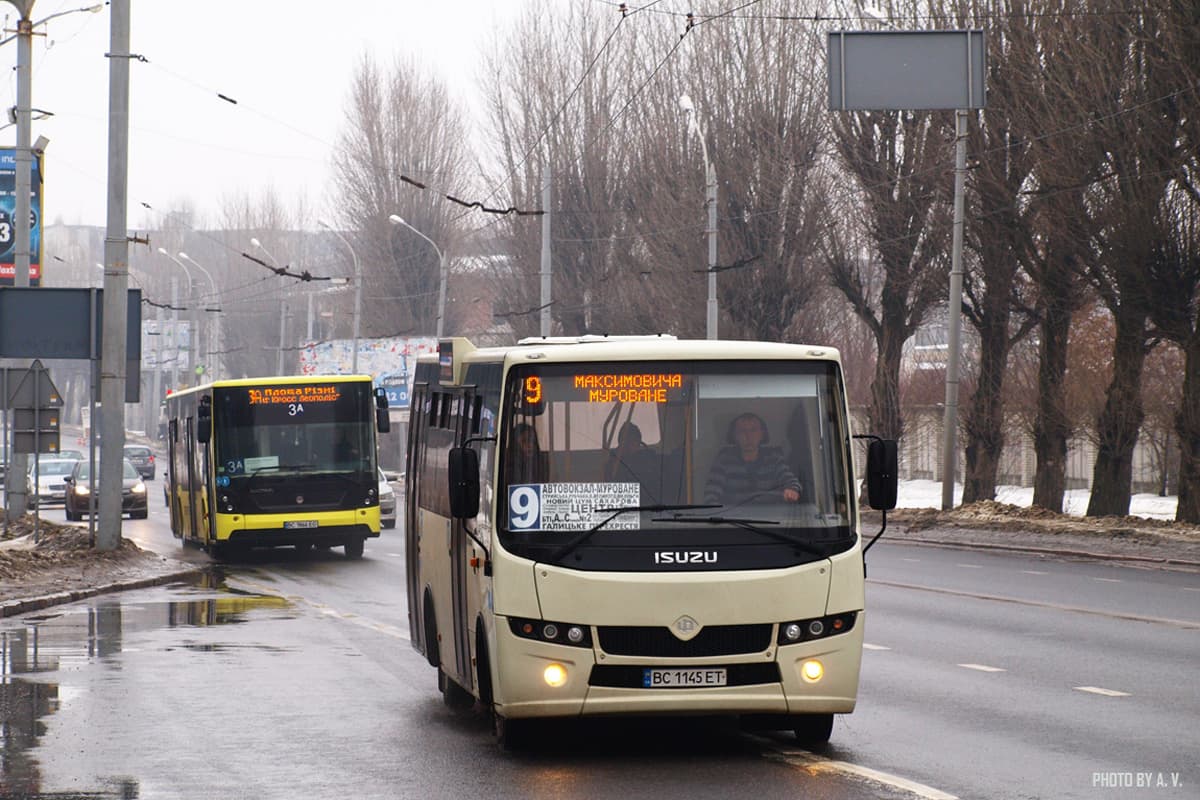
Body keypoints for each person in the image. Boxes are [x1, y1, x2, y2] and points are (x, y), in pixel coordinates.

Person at [703, 412, 801, 506]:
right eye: (742, 431)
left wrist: (791, 490)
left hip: (771, 519)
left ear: (762, 434)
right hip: (733, 520)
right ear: (734, 436)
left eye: (753, 430)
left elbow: (792, 482)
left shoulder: (774, 459)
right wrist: (720, 517)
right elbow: (711, 496)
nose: (748, 436)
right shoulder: (724, 461)